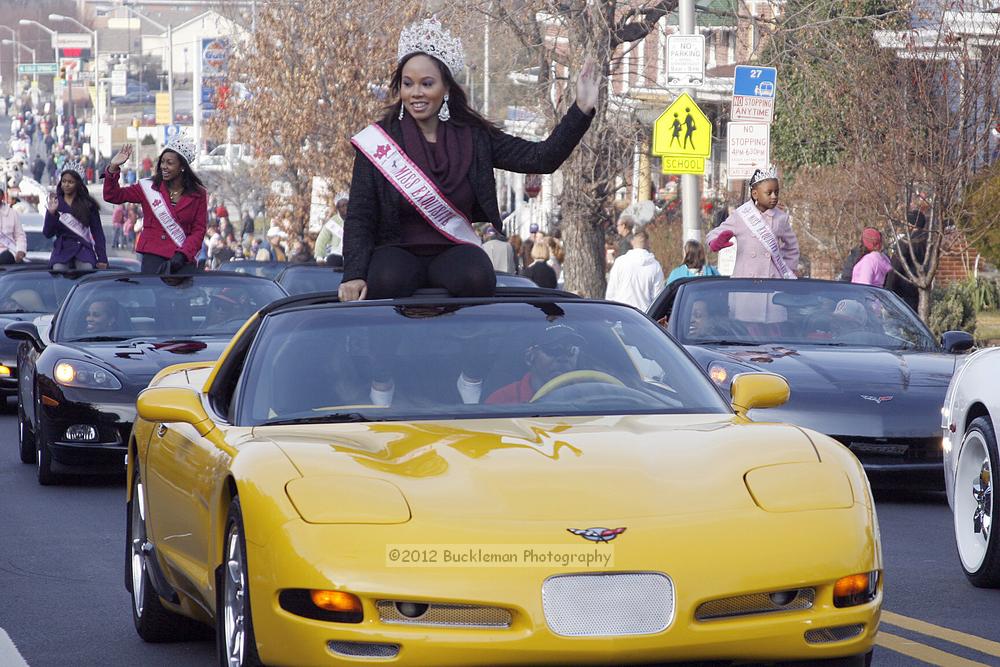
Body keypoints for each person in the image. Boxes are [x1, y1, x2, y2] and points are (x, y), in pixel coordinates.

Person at [339, 17, 598, 302]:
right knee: (387, 278)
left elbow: (541, 158)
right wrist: (353, 274)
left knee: (478, 276)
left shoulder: (475, 137)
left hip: (453, 250)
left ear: (446, 88)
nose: (416, 93)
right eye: (408, 84)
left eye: (427, 83)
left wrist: (581, 110)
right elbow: (360, 216)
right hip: (396, 251)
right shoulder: (378, 142)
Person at [103, 136, 207, 274]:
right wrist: (113, 167)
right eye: (162, 162)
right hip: (153, 256)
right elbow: (113, 195)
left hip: (182, 258)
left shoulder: (198, 194)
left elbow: (198, 231)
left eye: (169, 163)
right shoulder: (148, 187)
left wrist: (182, 255)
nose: (164, 166)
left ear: (182, 167)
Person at [706, 165, 798, 280]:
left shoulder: (781, 218)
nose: (774, 197)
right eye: (769, 193)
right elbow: (713, 234)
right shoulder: (741, 215)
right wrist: (716, 242)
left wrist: (788, 269)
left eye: (776, 192)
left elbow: (792, 247)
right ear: (755, 194)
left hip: (772, 281)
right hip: (745, 282)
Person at [486, 324, 584, 404]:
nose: (563, 358)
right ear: (529, 357)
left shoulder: (592, 393)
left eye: (570, 350)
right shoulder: (502, 400)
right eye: (554, 350)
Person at [44, 160, 108, 270]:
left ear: (78, 184)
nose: (66, 185)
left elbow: (98, 233)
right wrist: (51, 213)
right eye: (64, 181)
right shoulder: (55, 203)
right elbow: (47, 233)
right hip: (62, 249)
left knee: (86, 269)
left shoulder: (88, 204)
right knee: (58, 270)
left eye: (70, 182)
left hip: (83, 249)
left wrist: (102, 258)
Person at [605, 230, 664, 311]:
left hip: (620, 311)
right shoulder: (655, 265)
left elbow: (611, 292)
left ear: (632, 242)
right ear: (648, 243)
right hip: (644, 314)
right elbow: (657, 297)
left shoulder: (620, 262)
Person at [315, 193, 348, 262]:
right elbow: (321, 240)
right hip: (335, 257)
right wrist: (319, 257)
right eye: (343, 206)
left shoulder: (355, 220)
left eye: (347, 205)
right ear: (338, 208)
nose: (346, 207)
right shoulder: (332, 222)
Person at [0, 181, 26, 264]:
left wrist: (20, 250)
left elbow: (19, 235)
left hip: (9, 254)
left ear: (2, 196)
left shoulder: (12, 213)